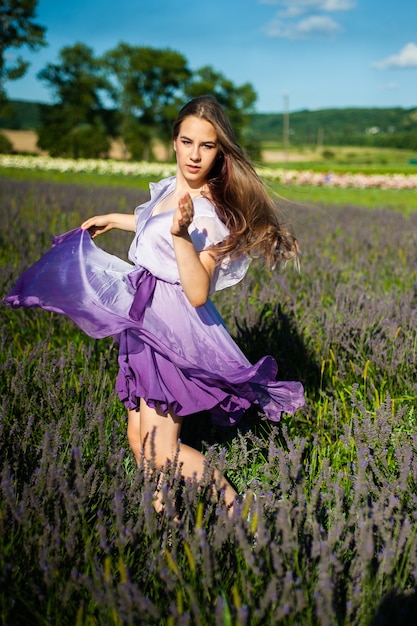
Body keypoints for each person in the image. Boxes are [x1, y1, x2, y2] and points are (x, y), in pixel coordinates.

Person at [4, 96, 305, 512]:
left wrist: (182, 236)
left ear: (221, 152)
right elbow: (156, 223)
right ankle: (164, 528)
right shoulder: (172, 186)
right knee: (139, 442)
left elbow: (197, 290)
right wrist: (116, 218)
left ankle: (243, 517)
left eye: (207, 146)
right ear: (175, 141)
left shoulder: (210, 213)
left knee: (162, 450)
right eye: (187, 141)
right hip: (142, 316)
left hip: (170, 328)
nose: (195, 155)